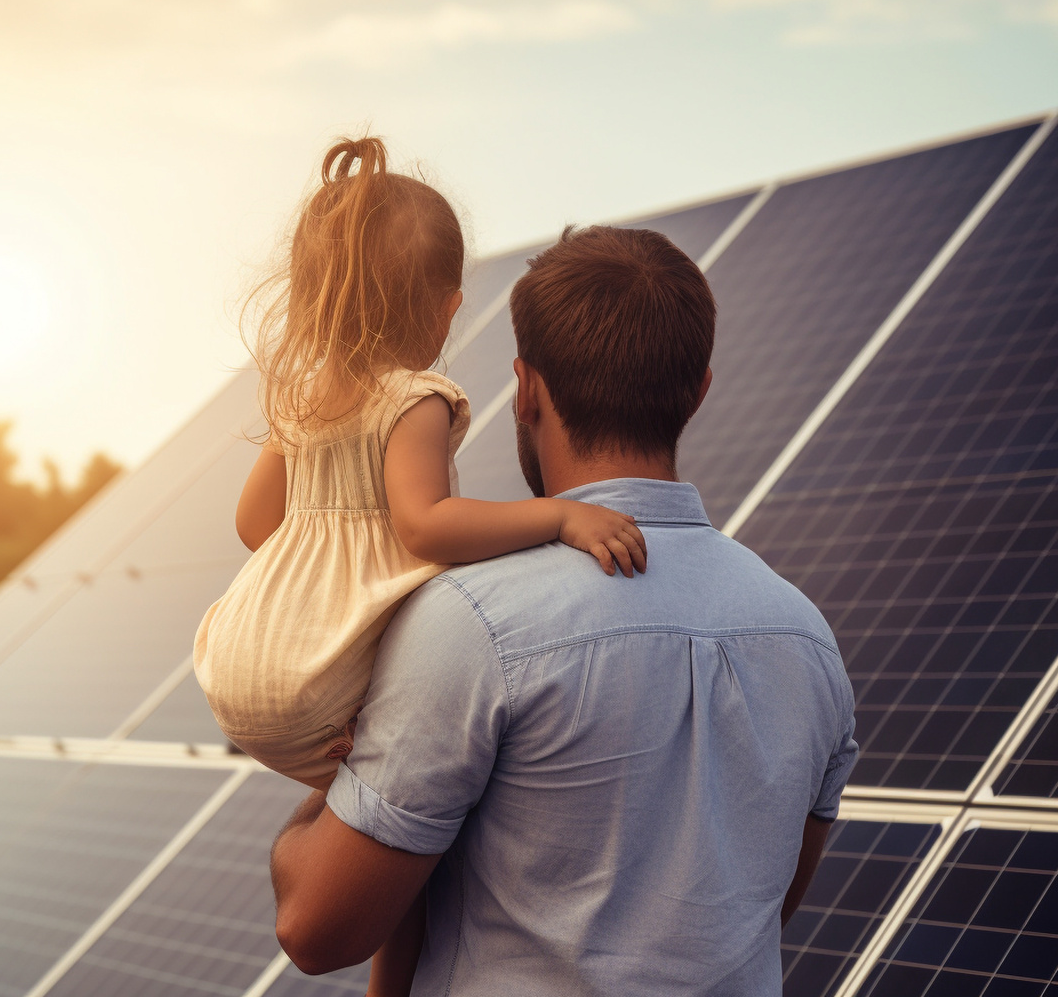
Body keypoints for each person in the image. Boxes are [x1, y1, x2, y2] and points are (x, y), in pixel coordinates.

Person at [270, 225, 860, 996]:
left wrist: (326, 776)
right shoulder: (809, 642)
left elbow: (316, 929)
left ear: (527, 388)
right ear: (699, 389)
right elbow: (757, 912)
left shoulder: (472, 624)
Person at [194, 139, 647, 996]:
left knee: (405, 830)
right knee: (423, 841)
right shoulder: (416, 399)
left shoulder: (307, 400)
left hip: (240, 665)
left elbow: (257, 525)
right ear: (448, 309)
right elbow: (427, 523)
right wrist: (557, 517)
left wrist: (322, 558)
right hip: (312, 691)